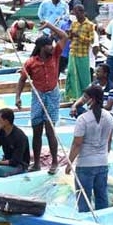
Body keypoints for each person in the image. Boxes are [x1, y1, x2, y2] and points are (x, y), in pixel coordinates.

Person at [16, 22, 68, 173]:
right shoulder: (31, 62)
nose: (52, 47)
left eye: (52, 45)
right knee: (37, 130)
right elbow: (22, 80)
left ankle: (54, 163)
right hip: (38, 96)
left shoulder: (56, 55)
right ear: (41, 48)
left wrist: (49, 26)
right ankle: (37, 163)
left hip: (52, 95)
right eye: (48, 45)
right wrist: (18, 97)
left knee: (50, 130)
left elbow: (64, 36)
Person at [66, 85, 113, 212]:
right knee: (102, 197)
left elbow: (77, 144)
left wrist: (69, 163)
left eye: (86, 97)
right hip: (102, 162)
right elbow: (109, 141)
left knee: (83, 200)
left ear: (92, 99)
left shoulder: (83, 119)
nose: (83, 100)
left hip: (85, 164)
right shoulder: (109, 117)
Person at [64, 4, 95, 101]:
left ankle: (86, 96)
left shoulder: (89, 25)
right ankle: (73, 96)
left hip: (83, 54)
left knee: (84, 77)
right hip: (73, 52)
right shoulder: (74, 23)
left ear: (82, 12)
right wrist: (69, 34)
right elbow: (70, 38)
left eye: (77, 13)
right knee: (71, 74)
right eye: (75, 14)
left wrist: (78, 36)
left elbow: (91, 41)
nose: (76, 16)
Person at [0, 108, 30, 177]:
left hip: (19, 165)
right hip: (7, 160)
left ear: (6, 121)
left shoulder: (20, 137)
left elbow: (15, 161)